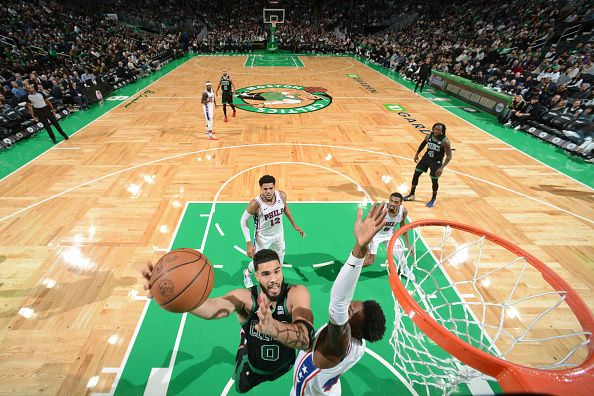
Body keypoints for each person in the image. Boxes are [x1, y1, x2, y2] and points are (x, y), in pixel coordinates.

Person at [142, 248, 314, 394]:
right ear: (256, 276)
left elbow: (305, 339)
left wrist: (273, 329)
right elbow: (212, 310)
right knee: (240, 389)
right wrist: (173, 293)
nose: (274, 279)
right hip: (252, 368)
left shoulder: (296, 293)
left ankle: (246, 333)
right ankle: (243, 342)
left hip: (286, 364)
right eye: (266, 274)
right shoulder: (245, 297)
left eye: (277, 271)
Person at [290, 202, 387, 395]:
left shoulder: (339, 345)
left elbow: (338, 302)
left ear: (356, 331)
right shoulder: (351, 340)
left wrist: (359, 249)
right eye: (353, 304)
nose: (349, 305)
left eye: (351, 311)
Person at [240, 175, 305, 288]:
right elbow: (243, 221)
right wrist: (248, 242)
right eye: (265, 189)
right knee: (260, 263)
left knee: (279, 260)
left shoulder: (281, 195)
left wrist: (294, 225)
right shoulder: (255, 204)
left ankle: (275, 279)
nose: (268, 191)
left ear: (274, 187)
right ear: (261, 189)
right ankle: (246, 272)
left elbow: (285, 208)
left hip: (279, 235)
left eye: (271, 188)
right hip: (262, 238)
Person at [363, 193, 414, 279]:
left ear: (400, 203)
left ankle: (405, 268)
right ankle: (350, 269)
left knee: (400, 254)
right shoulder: (380, 209)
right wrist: (367, 247)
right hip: (375, 235)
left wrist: (409, 246)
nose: (393, 203)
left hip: (390, 235)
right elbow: (366, 225)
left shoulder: (403, 211)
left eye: (396, 202)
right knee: (369, 261)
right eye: (391, 201)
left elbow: (403, 228)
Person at [403, 123, 452, 208]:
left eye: (439, 130)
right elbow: (423, 144)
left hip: (436, 162)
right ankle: (411, 194)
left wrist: (441, 167)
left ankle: (433, 198)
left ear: (442, 131)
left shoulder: (445, 141)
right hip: (426, 158)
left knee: (434, 181)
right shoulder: (429, 136)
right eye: (435, 129)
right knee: (416, 175)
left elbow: (449, 156)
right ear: (433, 129)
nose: (436, 131)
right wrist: (417, 154)